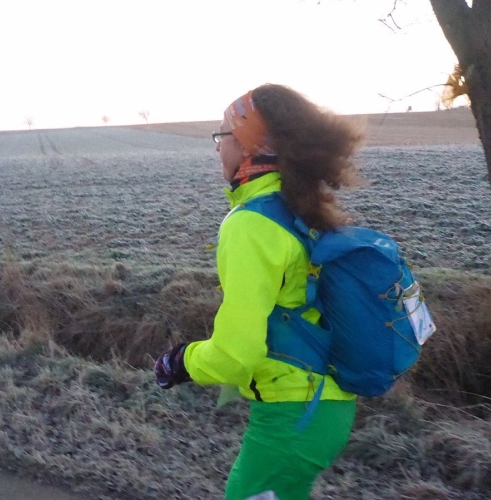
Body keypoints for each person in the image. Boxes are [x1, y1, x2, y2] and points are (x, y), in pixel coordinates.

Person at [154, 84, 365, 500]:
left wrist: (180, 361)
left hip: (294, 414)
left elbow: (236, 355)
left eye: (224, 136)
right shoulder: (297, 209)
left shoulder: (251, 224)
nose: (219, 148)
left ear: (251, 147)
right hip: (325, 404)